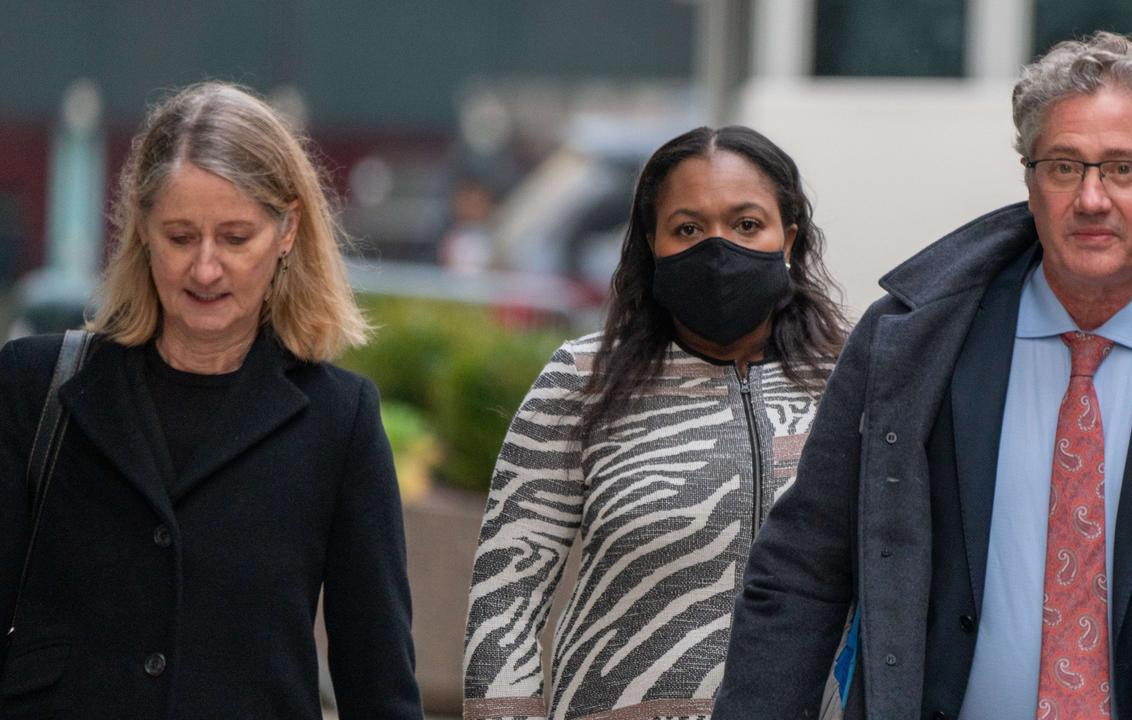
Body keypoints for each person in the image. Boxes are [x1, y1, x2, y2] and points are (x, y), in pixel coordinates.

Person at [715, 31, 1132, 720]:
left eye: (1123, 169)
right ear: (1029, 177)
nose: (1092, 198)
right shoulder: (913, 342)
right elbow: (802, 570)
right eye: (1065, 167)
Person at [0, 82, 422, 718]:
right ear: (141, 229)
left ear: (287, 231)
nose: (204, 269)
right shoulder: (36, 387)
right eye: (179, 236)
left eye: (234, 237)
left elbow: (377, 673)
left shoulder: (342, 420)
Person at [462, 126, 849, 720]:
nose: (718, 250)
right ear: (652, 244)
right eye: (688, 229)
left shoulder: (852, 385)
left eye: (747, 225)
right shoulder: (581, 380)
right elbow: (507, 598)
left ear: (788, 237)